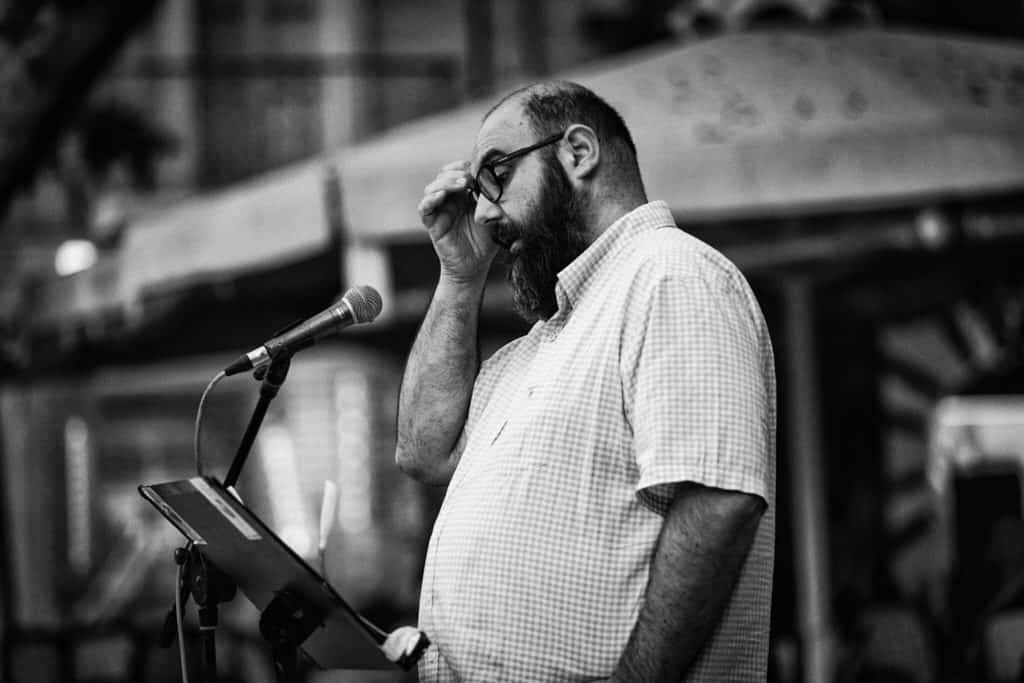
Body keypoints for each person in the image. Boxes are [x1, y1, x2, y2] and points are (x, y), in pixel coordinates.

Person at [395, 80, 776, 682]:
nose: (484, 213)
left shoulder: (671, 275)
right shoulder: (541, 344)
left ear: (578, 152)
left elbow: (719, 500)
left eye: (497, 175)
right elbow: (422, 451)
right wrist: (460, 277)